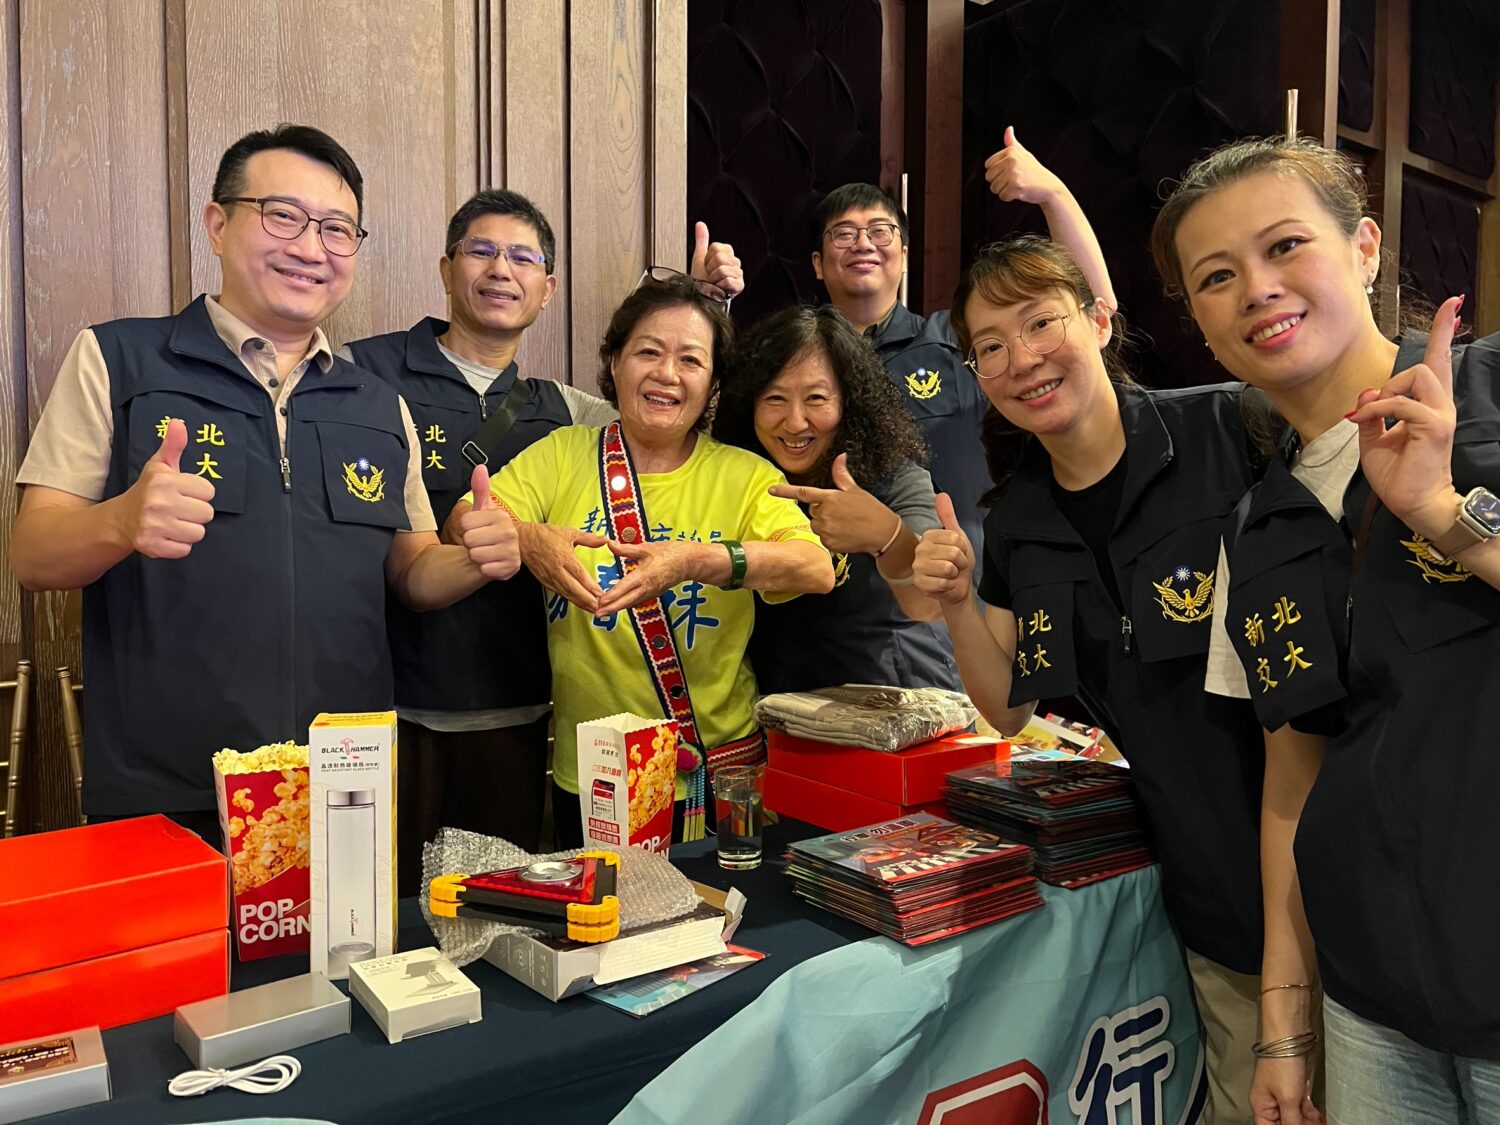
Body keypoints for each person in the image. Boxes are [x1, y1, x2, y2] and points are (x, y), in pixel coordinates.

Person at [8, 125, 520, 836]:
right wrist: (120, 521)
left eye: (337, 230)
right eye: (283, 216)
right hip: (167, 785)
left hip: (344, 785)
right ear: (218, 225)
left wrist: (472, 560)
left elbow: (411, 571)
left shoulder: (378, 404)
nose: (311, 248)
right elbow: (33, 555)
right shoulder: (118, 359)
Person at [1154, 135, 1500, 1125]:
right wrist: (1283, 1025)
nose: (1256, 289)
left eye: (1284, 246)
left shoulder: (1489, 392)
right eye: (1216, 277)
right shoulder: (1256, 529)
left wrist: (1443, 514)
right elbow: (1291, 785)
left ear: (1365, 246)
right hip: (1372, 1013)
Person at [911, 235, 1266, 1123]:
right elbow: (1007, 706)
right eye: (990, 346)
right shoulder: (1020, 518)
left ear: (1100, 319)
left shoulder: (1233, 428)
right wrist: (955, 602)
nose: (1021, 358)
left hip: (1342, 866)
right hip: (1213, 895)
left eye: (1041, 323)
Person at [342, 188, 741, 886]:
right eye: (482, 251)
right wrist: (524, 537)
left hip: (519, 706)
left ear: (547, 288)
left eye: (523, 258)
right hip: (389, 701)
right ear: (446, 269)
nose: (502, 269)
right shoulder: (362, 373)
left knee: (502, 906)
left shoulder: (567, 412)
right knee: (383, 908)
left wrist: (704, 308)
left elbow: (673, 417)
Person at [451, 274, 833, 845]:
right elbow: (467, 518)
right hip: (597, 774)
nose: (667, 374)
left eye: (691, 360)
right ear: (616, 362)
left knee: (733, 900)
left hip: (722, 775)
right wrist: (527, 538)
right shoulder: (563, 455)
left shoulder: (745, 474)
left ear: (713, 383)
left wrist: (694, 560)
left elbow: (813, 567)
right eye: (648, 352)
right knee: (598, 903)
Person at [812, 129, 1117, 555]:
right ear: (818, 264)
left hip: (963, 577)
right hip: (830, 579)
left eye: (880, 231)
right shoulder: (803, 356)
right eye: (843, 234)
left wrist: (1054, 195)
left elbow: (1092, 308)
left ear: (904, 255)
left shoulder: (959, 338)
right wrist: (718, 301)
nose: (863, 243)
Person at [714, 304, 959, 692]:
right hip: (785, 707)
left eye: (816, 398)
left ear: (850, 401)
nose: (795, 422)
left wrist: (888, 536)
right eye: (775, 398)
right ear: (749, 403)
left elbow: (928, 603)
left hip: (898, 697)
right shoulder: (736, 480)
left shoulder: (893, 477)